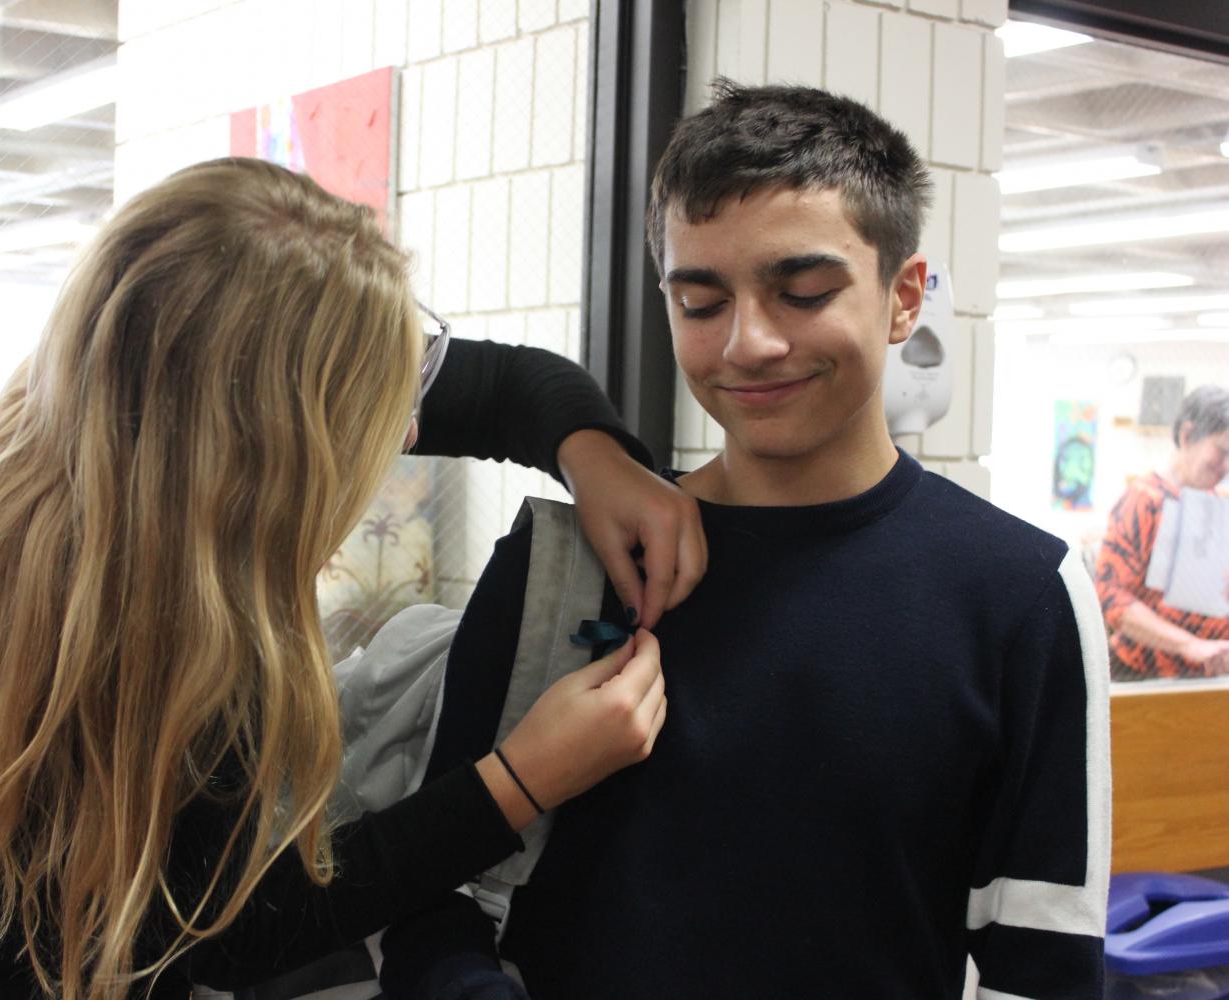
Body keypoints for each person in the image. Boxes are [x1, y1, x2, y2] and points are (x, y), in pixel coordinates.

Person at [0, 158, 705, 1000]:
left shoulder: (114, 426)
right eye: (366, 419)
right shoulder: (114, 637)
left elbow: (511, 387)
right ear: (259, 449)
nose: (410, 430)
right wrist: (519, 781)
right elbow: (227, 934)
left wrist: (598, 459)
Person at [381, 81, 1111, 1000]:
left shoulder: (1020, 592)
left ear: (904, 297)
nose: (748, 344)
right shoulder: (563, 568)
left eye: (802, 293)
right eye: (700, 303)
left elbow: (1041, 963)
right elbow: (428, 898)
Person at [1094, 384, 1229, 679]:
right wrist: (1188, 645)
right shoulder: (1144, 500)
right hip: (1146, 675)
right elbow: (1111, 597)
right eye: (1221, 451)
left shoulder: (1216, 506)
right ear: (1188, 434)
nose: (1226, 467)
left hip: (1206, 679)